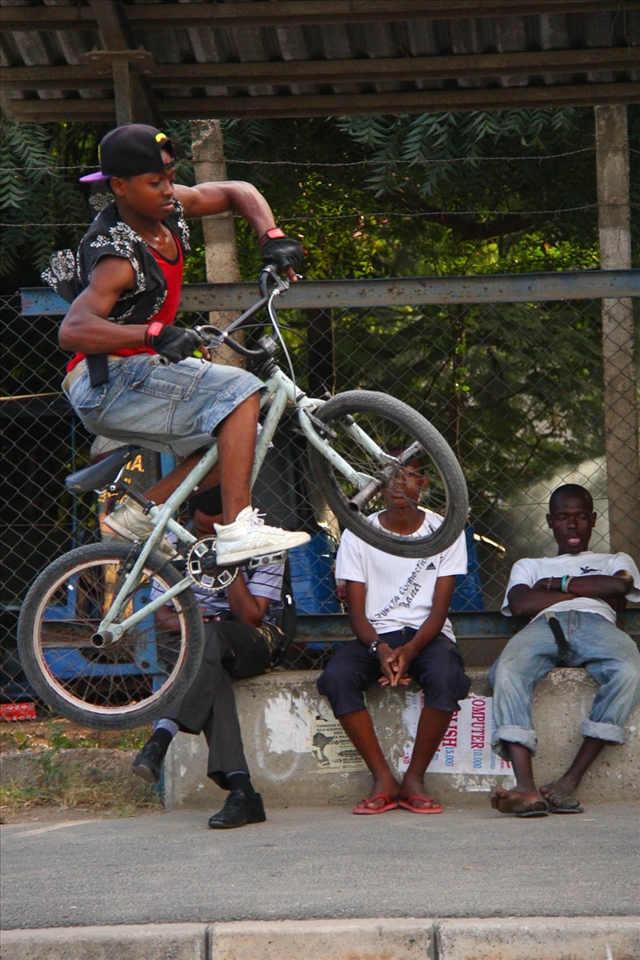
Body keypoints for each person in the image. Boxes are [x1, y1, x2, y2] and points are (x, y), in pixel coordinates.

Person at [43, 122, 310, 566]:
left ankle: (140, 515)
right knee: (240, 390)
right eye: (156, 181)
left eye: (170, 175)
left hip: (138, 373)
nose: (170, 189)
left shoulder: (168, 210)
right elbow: (72, 331)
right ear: (119, 187)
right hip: (105, 381)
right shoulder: (117, 256)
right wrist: (151, 333)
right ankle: (238, 527)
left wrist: (272, 236)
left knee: (245, 436)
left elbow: (237, 190)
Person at [316, 458, 470, 814]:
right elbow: (355, 612)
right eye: (390, 478)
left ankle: (414, 779)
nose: (399, 486)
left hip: (427, 635)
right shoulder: (359, 533)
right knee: (337, 677)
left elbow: (439, 609)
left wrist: (412, 650)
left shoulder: (446, 531)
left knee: (447, 676)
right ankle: (383, 778)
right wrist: (380, 649)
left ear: (424, 483)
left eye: (409, 477)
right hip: (375, 635)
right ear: (378, 485)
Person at [132, 486, 288, 829]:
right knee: (210, 660)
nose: (204, 540)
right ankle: (242, 790)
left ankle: (162, 736)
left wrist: (225, 561)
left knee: (212, 636)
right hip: (201, 644)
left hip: (256, 640)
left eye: (215, 533)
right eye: (200, 531)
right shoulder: (175, 546)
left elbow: (252, 616)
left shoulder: (265, 542)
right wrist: (198, 623)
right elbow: (165, 619)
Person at [490, 483, 640, 818]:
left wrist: (557, 585)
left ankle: (569, 781)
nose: (572, 524)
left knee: (630, 671)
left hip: (597, 625)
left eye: (581, 517)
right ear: (550, 521)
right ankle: (526, 788)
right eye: (562, 517)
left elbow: (620, 586)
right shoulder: (529, 565)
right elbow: (520, 604)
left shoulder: (616, 559)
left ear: (594, 520)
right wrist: (591, 588)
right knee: (507, 669)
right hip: (545, 624)